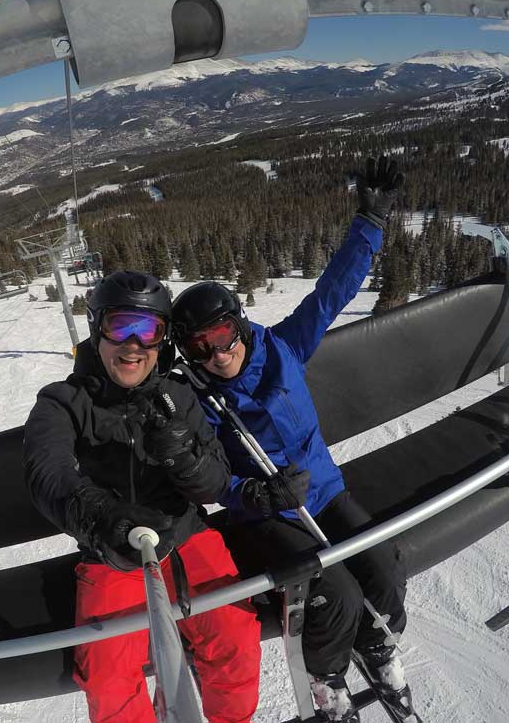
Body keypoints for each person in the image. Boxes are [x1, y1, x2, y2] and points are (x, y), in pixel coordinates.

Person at [171, 158, 420, 723]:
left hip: (324, 493)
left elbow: (332, 293)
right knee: (335, 594)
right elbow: (203, 477)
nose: (216, 354)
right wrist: (253, 495)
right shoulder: (200, 401)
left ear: (239, 324)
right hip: (265, 518)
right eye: (199, 347)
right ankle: (326, 681)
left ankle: (376, 646)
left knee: (382, 566)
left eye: (222, 337)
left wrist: (370, 223)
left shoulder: (283, 348)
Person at [23, 270, 261, 723]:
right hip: (112, 549)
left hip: (185, 536)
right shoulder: (62, 403)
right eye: (121, 326)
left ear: (162, 340)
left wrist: (183, 459)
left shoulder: (177, 396)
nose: (133, 344)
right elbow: (47, 472)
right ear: (98, 331)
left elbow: (214, 483)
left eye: (147, 329)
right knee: (108, 676)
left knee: (233, 636)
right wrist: (102, 517)